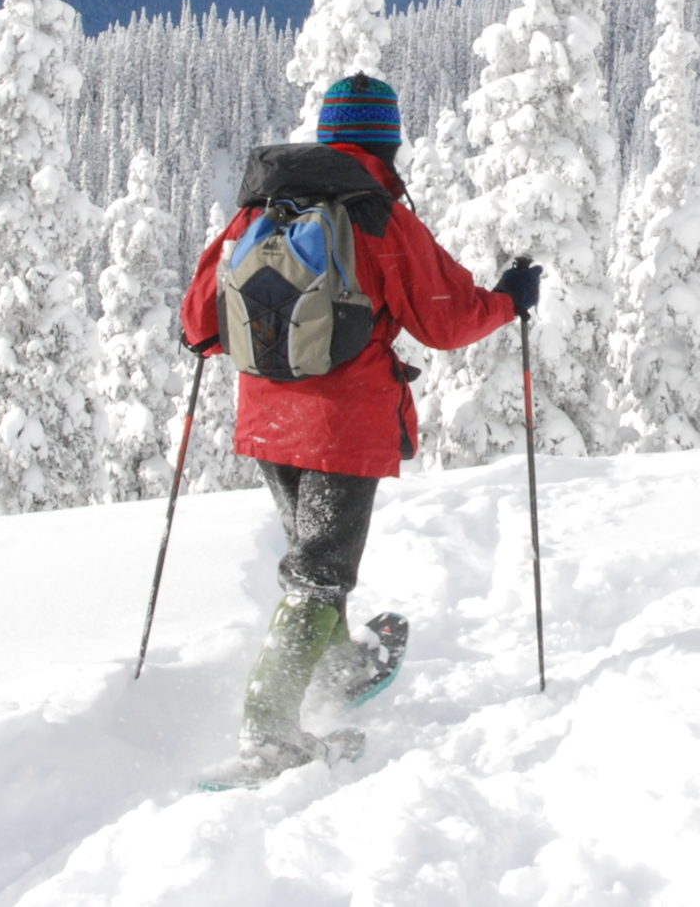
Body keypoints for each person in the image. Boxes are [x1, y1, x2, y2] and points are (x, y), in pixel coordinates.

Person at [179, 72, 539, 769]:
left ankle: (336, 664)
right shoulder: (376, 216)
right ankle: (269, 730)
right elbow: (446, 319)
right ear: (389, 141)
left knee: (313, 558)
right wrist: (510, 300)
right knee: (321, 571)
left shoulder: (259, 208)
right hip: (343, 429)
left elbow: (198, 324)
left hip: (267, 422)